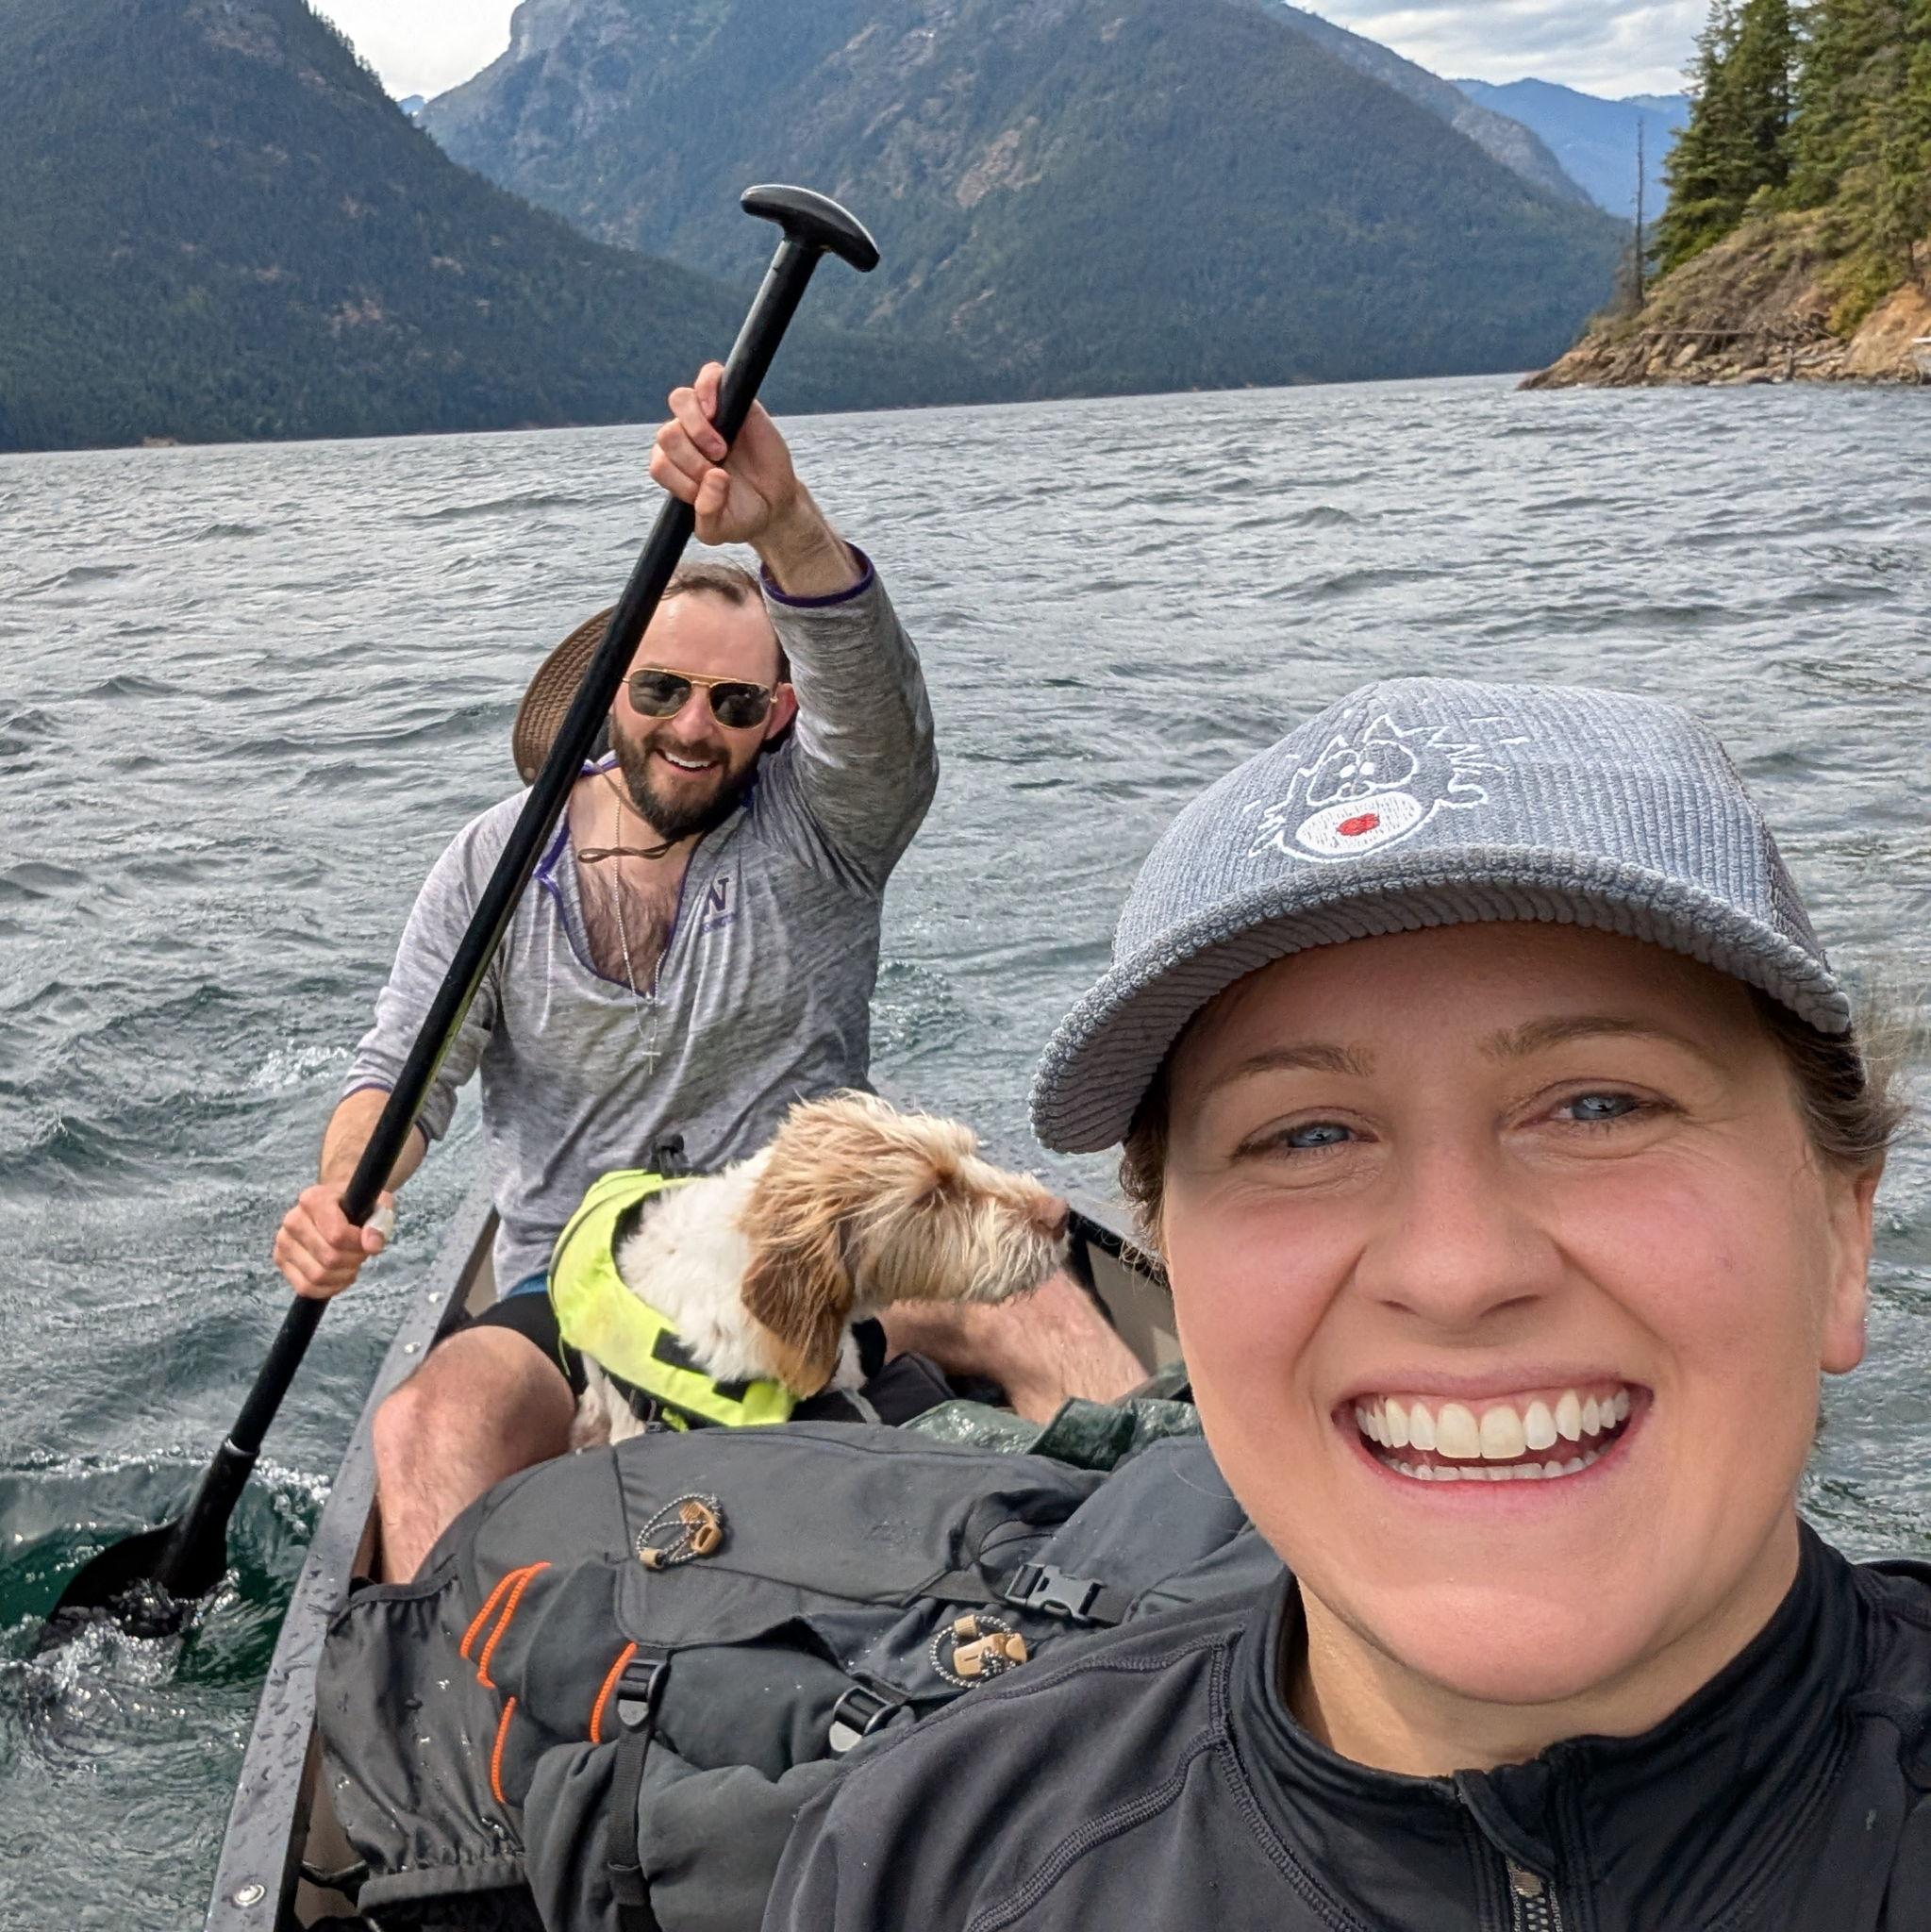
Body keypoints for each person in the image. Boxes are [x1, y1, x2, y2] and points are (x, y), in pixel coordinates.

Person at [766, 675, 1931, 1929]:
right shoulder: (919, 1867)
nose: (1456, 1269)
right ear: (1180, 1270)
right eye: (1306, 1136)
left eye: (1601, 1105)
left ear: (1840, 1230)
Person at [274, 366, 1140, 1581]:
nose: (693, 727)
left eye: (735, 703)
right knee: (424, 1424)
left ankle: (1168, 1565)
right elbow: (401, 1080)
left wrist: (784, 522)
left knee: (1037, 1296)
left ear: (777, 717)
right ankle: (460, 1721)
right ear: (609, 692)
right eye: (663, 690)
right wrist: (343, 1195)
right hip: (572, 1286)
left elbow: (881, 720)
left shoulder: (827, 827)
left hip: (815, 1259)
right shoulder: (494, 859)